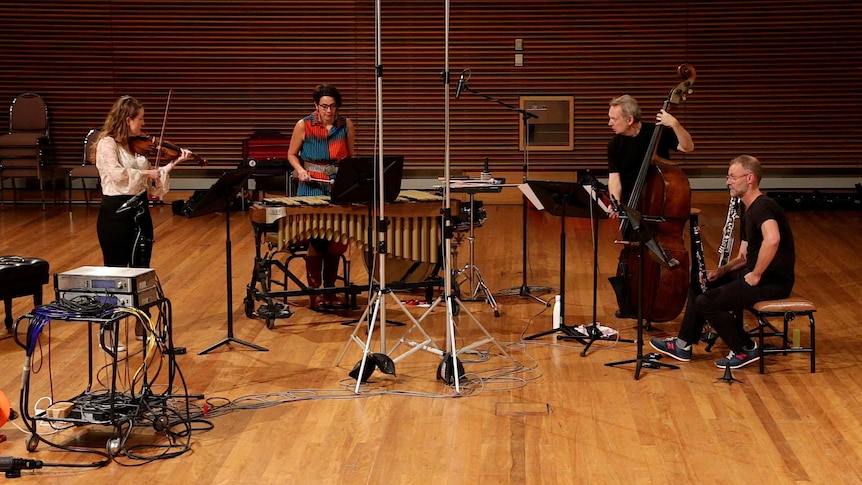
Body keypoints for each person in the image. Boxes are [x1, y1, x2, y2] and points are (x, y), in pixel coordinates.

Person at [650, 155, 796, 369]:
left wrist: (756, 274)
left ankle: (745, 348)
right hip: (754, 273)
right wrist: (721, 271)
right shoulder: (747, 208)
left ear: (750, 179)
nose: (728, 182)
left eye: (732, 177)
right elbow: (743, 256)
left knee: (706, 302)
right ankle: (683, 344)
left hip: (771, 282)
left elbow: (773, 239)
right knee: (699, 282)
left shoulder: (763, 206)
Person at [94, 95, 193, 268]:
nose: (143, 123)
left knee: (141, 268)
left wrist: (174, 163)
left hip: (141, 212)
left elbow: (152, 186)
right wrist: (148, 172)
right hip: (117, 214)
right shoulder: (107, 144)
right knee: (117, 269)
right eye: (140, 118)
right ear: (127, 120)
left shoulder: (136, 147)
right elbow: (118, 174)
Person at [287, 84, 356, 311]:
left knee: (336, 241)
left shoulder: (345, 125)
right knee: (317, 239)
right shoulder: (303, 124)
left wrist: (347, 178)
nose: (328, 111)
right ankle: (315, 293)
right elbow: (291, 154)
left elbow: (351, 158)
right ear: (316, 105)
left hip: (337, 188)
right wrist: (300, 170)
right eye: (324, 106)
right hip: (311, 188)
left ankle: (330, 290)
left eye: (333, 106)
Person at [606, 94, 694, 217]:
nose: (610, 123)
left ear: (629, 120)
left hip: (660, 204)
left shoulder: (657, 132)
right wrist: (615, 203)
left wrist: (675, 125)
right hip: (631, 205)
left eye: (614, 119)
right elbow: (614, 177)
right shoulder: (614, 144)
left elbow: (688, 147)